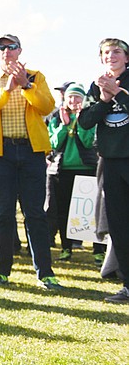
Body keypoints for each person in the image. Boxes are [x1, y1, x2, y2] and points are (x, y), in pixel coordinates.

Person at [0, 34, 59, 289]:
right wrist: (6, 90)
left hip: (32, 151)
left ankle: (45, 273)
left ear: (20, 50)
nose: (6, 51)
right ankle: (0, 272)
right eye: (1, 47)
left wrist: (26, 85)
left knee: (34, 213)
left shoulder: (35, 76)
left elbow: (47, 107)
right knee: (4, 213)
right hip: (2, 154)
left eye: (11, 47)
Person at [78, 38, 129, 303]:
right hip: (109, 162)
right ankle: (127, 284)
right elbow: (84, 122)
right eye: (106, 53)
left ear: (127, 58)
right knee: (119, 225)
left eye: (117, 52)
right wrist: (105, 100)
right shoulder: (96, 86)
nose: (111, 56)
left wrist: (119, 93)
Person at [48, 83, 96, 261]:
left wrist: (80, 122)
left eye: (77, 97)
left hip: (86, 169)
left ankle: (98, 251)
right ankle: (66, 248)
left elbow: (88, 141)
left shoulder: (90, 117)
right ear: (65, 99)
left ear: (84, 100)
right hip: (61, 170)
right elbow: (52, 143)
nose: (73, 100)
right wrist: (65, 125)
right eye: (70, 97)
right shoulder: (56, 117)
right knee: (63, 211)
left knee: (90, 212)